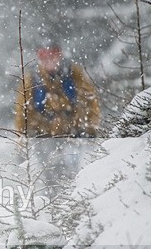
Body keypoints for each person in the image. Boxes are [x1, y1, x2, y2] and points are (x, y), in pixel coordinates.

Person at [15, 42, 101, 190]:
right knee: (49, 174)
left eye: (52, 55)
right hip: (44, 134)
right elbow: (21, 112)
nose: (49, 60)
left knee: (75, 173)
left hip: (73, 132)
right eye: (44, 56)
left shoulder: (74, 74)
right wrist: (21, 140)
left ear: (59, 56)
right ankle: (52, 203)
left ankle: (73, 200)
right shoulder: (31, 80)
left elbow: (91, 101)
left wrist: (91, 127)